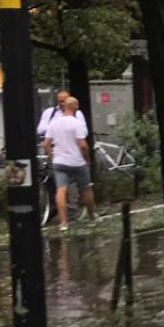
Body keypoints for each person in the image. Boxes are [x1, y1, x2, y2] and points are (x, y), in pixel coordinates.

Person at [42, 97, 97, 231]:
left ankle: (63, 222)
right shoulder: (76, 123)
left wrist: (52, 156)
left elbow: (46, 143)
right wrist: (87, 159)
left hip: (59, 162)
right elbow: (83, 145)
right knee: (86, 188)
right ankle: (92, 216)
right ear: (75, 107)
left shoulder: (54, 123)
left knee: (61, 190)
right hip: (77, 161)